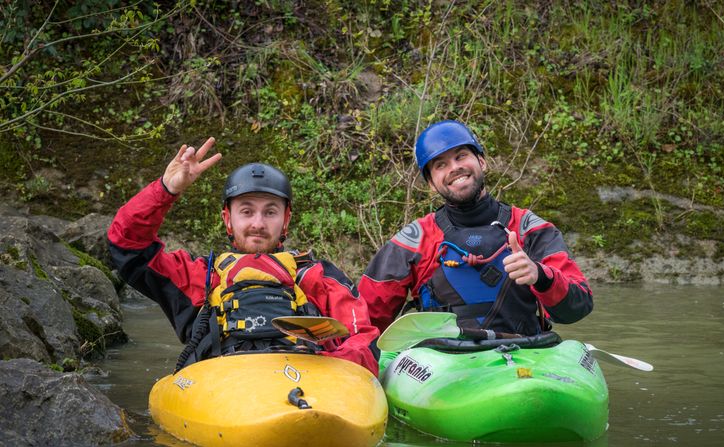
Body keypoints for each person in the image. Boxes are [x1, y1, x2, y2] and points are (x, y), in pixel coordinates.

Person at [108, 137, 379, 375]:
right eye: (247, 211)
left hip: (306, 386)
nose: (258, 224)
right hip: (224, 392)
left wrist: (327, 366)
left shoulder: (318, 277)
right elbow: (126, 243)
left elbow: (362, 340)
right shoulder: (200, 276)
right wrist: (166, 190)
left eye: (270, 212)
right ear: (228, 219)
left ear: (286, 220)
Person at [358, 120, 592, 337]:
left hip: (524, 352)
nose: (454, 168)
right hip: (444, 360)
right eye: (441, 165)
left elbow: (578, 307)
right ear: (431, 184)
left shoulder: (529, 228)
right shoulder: (414, 240)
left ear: (482, 162)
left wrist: (540, 276)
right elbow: (365, 321)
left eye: (461, 156)